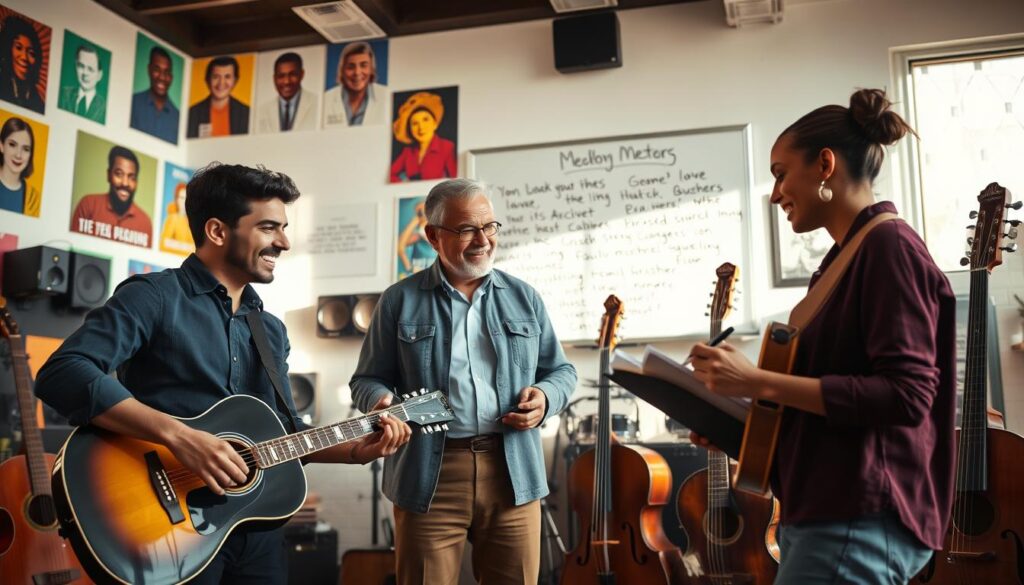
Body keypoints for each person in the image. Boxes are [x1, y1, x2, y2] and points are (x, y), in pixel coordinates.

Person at [36, 162, 411, 585]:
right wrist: (182, 437)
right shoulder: (154, 297)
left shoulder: (270, 329)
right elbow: (63, 371)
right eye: (269, 227)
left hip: (256, 531)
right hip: (167, 526)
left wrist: (354, 449)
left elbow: (282, 435)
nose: (284, 242)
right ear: (216, 231)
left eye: (284, 228)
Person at [689, 88, 955, 584]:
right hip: (827, 515)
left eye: (780, 173)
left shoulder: (889, 248)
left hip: (857, 518)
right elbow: (828, 406)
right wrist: (736, 427)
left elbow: (906, 396)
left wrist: (757, 382)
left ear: (825, 164)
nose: (774, 194)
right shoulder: (843, 261)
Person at [351, 178, 577, 585]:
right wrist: (382, 402)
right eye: (467, 229)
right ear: (434, 236)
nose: (482, 240)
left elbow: (561, 371)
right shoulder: (398, 300)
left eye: (489, 226)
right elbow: (367, 379)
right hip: (428, 474)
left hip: (514, 471)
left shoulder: (525, 297)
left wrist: (546, 396)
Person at [69, 145, 153, 248]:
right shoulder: (88, 205)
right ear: (108, 175)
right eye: (119, 174)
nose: (125, 183)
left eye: (132, 177)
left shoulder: (145, 222)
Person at [389, 92, 456, 182]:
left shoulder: (447, 147)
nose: (421, 127)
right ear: (410, 129)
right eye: (415, 123)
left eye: (425, 120)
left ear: (435, 124)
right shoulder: (407, 152)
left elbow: (457, 182)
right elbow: (390, 176)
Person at [323, 41, 388, 127]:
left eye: (363, 65)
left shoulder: (386, 96)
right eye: (351, 67)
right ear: (342, 70)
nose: (357, 72)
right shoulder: (325, 99)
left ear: (371, 69)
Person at [188, 56, 250, 138]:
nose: (221, 83)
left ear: (235, 81)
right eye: (216, 77)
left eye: (227, 77)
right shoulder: (192, 114)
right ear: (207, 80)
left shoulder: (246, 113)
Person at [255, 52, 317, 133]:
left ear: (302, 74)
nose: (287, 82)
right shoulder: (261, 111)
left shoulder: (317, 103)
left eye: (292, 75)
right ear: (274, 79)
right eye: (281, 76)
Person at [130, 45, 180, 144]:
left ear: (171, 77)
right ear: (149, 69)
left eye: (167, 72)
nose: (162, 77)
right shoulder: (133, 103)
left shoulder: (178, 117)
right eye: (157, 70)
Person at [0, 15, 45, 113]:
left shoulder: (39, 104)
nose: (24, 57)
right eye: (18, 48)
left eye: (31, 53)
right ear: (8, 49)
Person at [0, 116, 38, 216]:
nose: (18, 155)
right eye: (12, 145)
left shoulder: (33, 197)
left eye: (25, 149)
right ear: (2, 145)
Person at [58, 44, 106, 123]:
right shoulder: (63, 94)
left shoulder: (104, 108)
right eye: (81, 66)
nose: (85, 73)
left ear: (99, 75)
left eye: (90, 69)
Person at [396, 200, 434, 279]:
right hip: (419, 272)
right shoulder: (418, 234)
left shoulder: (437, 230)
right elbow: (400, 247)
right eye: (420, 211)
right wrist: (409, 267)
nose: (423, 213)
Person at [160, 181, 194, 254]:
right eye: (181, 198)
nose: (184, 202)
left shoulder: (191, 222)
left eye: (186, 199)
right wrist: (184, 247)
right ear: (177, 199)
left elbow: (194, 248)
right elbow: (164, 243)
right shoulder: (172, 218)